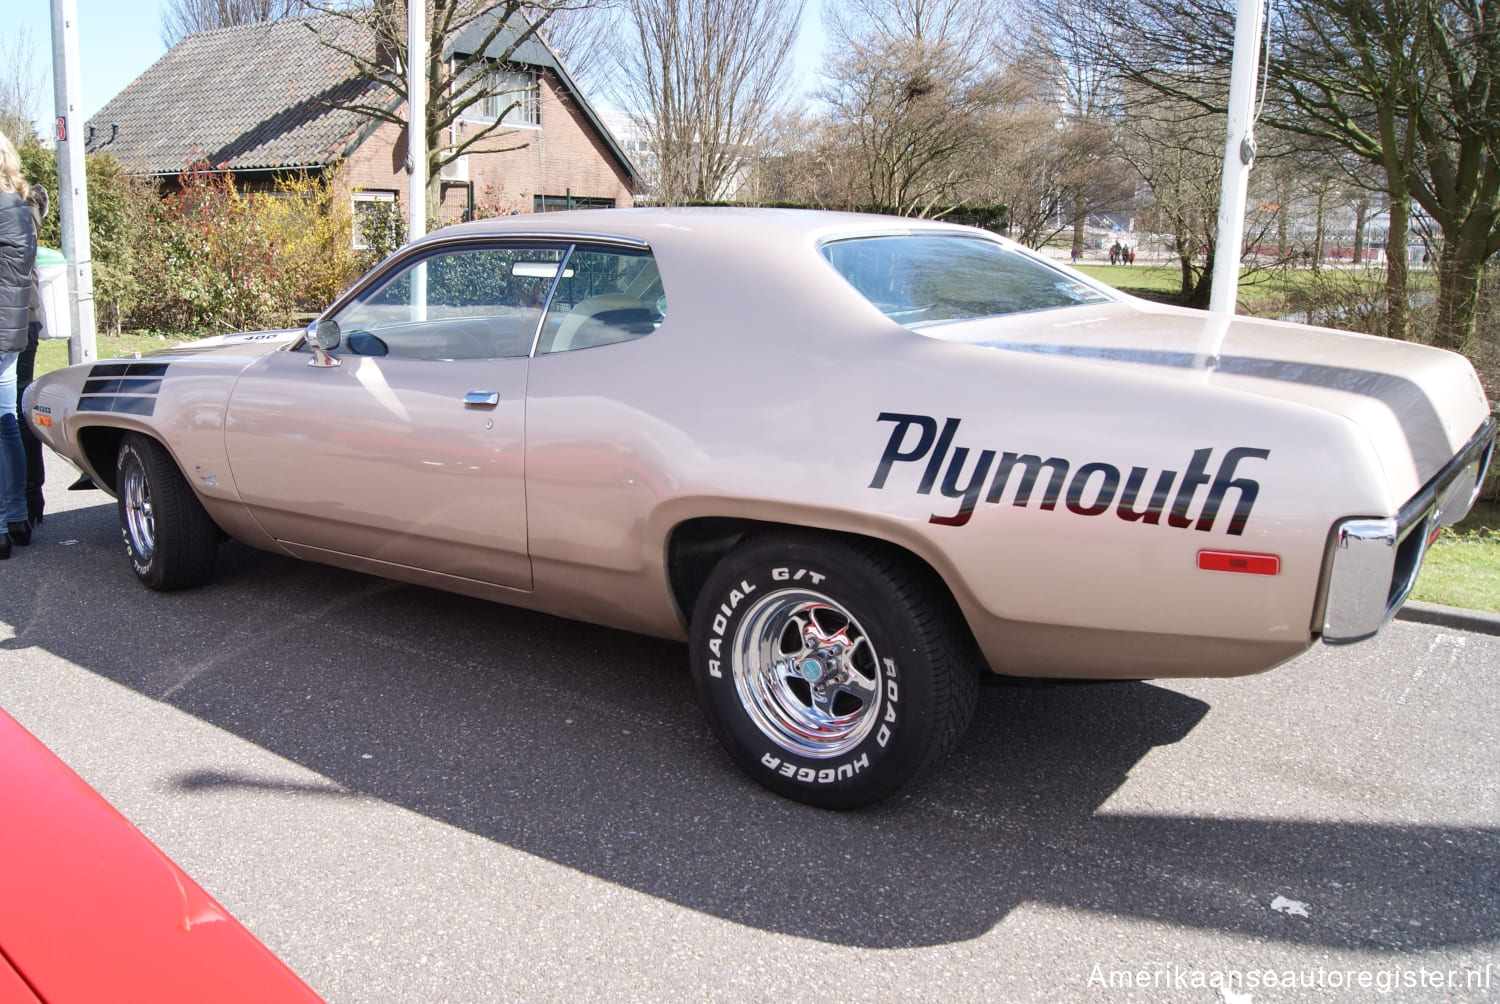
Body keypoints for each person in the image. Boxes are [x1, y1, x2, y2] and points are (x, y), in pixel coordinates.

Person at [0, 129, 37, 559]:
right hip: (12, 328)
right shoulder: (20, 208)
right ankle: (15, 517)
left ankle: (5, 523)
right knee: (6, 422)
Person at [20, 184, 48, 524]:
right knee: (14, 411)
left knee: (11, 414)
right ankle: (28, 500)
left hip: (17, 319)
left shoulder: (17, 210)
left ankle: (26, 500)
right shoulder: (25, 207)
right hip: (23, 317)